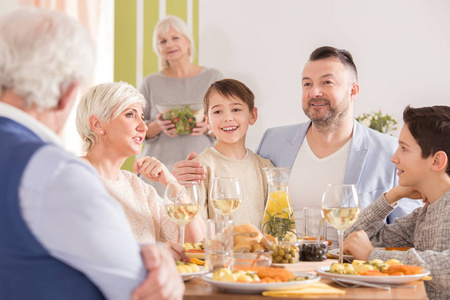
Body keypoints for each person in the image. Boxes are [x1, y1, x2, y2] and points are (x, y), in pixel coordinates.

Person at [0, 7, 183, 300]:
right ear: (68, 93)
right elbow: (145, 288)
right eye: (129, 114)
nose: (139, 125)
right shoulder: (54, 171)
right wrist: (155, 260)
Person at [173, 46, 421, 245]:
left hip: (355, 279)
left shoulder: (389, 151)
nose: (315, 92)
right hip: (283, 274)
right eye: (307, 83)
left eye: (327, 82)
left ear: (353, 91)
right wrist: (183, 180)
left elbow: (410, 232)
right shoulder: (274, 142)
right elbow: (237, 175)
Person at [76, 81, 204, 249]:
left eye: (142, 118)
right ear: (97, 124)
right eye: (130, 114)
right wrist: (153, 252)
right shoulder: (74, 175)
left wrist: (171, 183)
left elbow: (194, 243)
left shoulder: (138, 188)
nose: (143, 127)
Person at [343, 105, 450, 300]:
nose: (394, 158)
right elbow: (352, 240)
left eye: (404, 149)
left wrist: (374, 256)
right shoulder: (422, 215)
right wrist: (392, 196)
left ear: (436, 161)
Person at [139, 15, 224, 196]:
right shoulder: (150, 82)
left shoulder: (213, 77)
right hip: (159, 173)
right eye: (163, 41)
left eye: (175, 38)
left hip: (202, 168)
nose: (169, 44)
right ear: (158, 48)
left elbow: (228, 121)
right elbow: (135, 129)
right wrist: (157, 125)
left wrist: (208, 127)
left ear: (188, 42)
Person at [192, 79, 273, 226]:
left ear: (252, 115)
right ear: (207, 121)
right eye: (217, 111)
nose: (227, 118)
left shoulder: (265, 168)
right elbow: (197, 228)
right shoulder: (199, 168)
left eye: (236, 109)